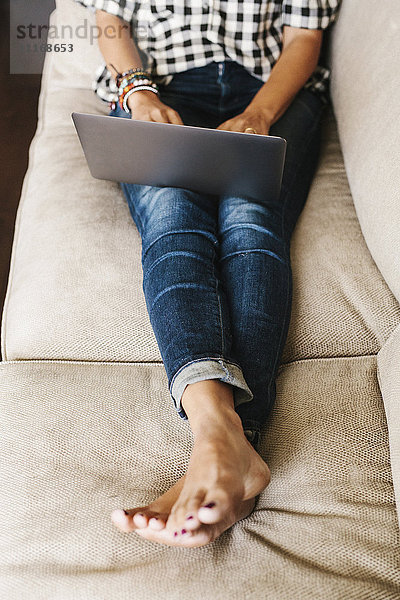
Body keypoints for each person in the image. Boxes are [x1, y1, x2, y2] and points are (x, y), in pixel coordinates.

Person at [75, 0, 341, 548]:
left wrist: (261, 115)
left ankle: (218, 448)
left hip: (273, 92)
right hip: (159, 87)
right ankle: (225, 442)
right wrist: (139, 94)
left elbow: (303, 41)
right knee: (171, 215)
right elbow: (109, 19)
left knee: (250, 219)